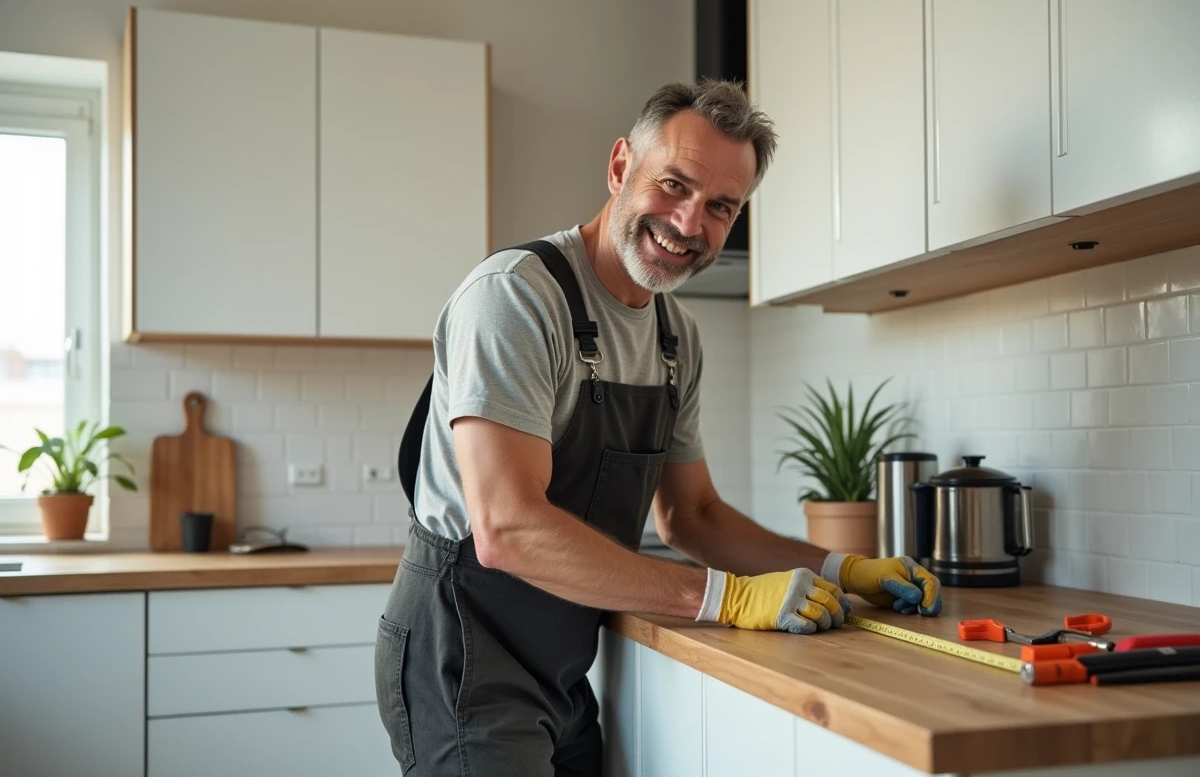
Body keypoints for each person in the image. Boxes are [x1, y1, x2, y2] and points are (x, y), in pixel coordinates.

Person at [374, 78, 942, 777]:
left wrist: (841, 569)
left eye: (720, 208)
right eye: (673, 185)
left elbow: (693, 515)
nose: (688, 224)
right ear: (620, 167)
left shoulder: (677, 340)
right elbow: (507, 529)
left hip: (560, 665)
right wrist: (726, 597)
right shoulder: (516, 298)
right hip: (462, 653)